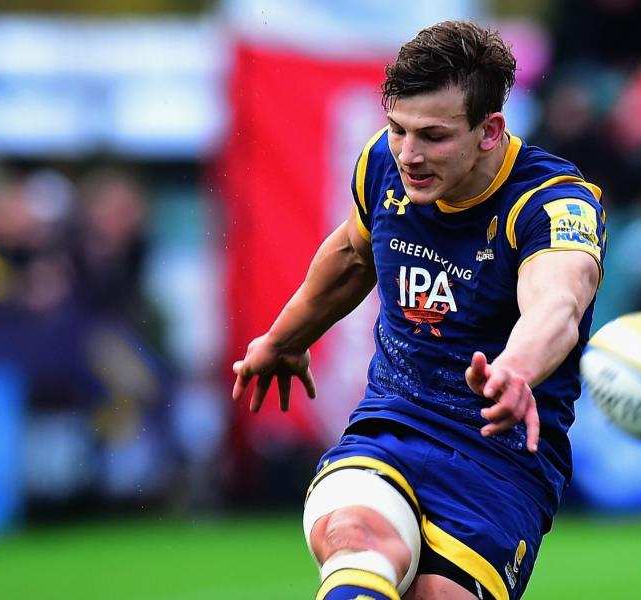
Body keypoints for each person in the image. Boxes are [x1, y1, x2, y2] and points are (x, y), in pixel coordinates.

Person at [232, 20, 605, 600]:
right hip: (395, 420)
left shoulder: (551, 203)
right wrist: (283, 339)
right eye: (397, 129)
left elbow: (558, 301)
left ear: (490, 130)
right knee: (358, 538)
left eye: (432, 136)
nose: (409, 155)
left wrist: (517, 369)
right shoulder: (383, 165)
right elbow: (352, 255)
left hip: (497, 456)